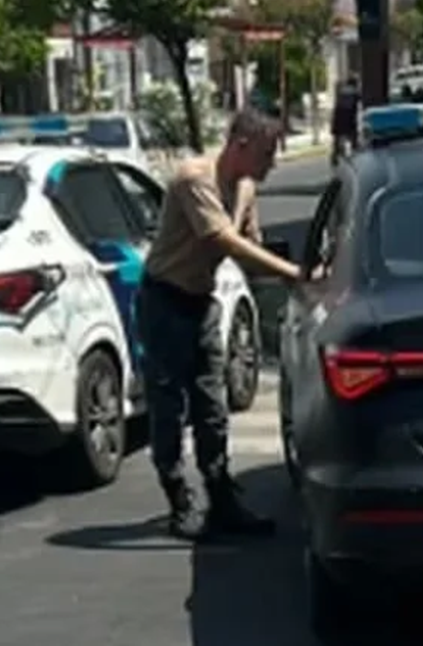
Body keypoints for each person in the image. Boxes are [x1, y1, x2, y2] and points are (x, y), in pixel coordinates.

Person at [137, 108, 304, 540]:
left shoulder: (246, 186)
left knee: (212, 405)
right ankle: (178, 498)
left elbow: (250, 246)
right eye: (266, 154)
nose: (271, 165)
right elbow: (221, 240)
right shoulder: (195, 178)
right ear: (240, 145)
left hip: (201, 300)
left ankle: (220, 495)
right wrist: (292, 272)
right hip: (165, 300)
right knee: (169, 404)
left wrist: (316, 278)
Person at [330, 75, 360, 167]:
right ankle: (355, 159)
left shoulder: (341, 91)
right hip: (349, 120)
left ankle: (335, 159)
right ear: (355, 83)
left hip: (338, 119)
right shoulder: (355, 93)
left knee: (337, 142)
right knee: (353, 140)